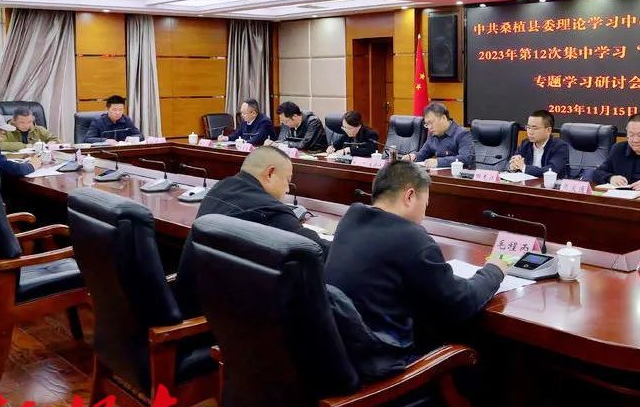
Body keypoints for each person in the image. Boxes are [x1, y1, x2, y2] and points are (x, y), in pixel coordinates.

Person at [325, 161, 506, 363]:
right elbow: (461, 302)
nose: (424, 215)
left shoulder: (352, 218)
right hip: (380, 362)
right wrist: (495, 270)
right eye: (425, 204)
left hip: (339, 352)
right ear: (410, 196)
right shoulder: (410, 236)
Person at [196, 146, 328, 257]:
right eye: (287, 181)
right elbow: (317, 249)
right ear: (270, 173)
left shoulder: (217, 189)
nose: (288, 189)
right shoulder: (271, 211)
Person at [402, 102, 474, 170]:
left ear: (443, 118)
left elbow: (466, 158)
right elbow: (423, 153)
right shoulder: (433, 134)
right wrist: (413, 156)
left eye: (431, 123)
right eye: (427, 124)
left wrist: (438, 162)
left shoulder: (462, 134)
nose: (429, 127)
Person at [508, 109, 569, 179]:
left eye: (535, 128)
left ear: (548, 130)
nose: (530, 132)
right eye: (528, 127)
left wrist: (524, 167)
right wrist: (513, 167)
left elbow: (551, 170)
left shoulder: (560, 146)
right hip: (526, 183)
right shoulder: (525, 144)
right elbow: (514, 162)